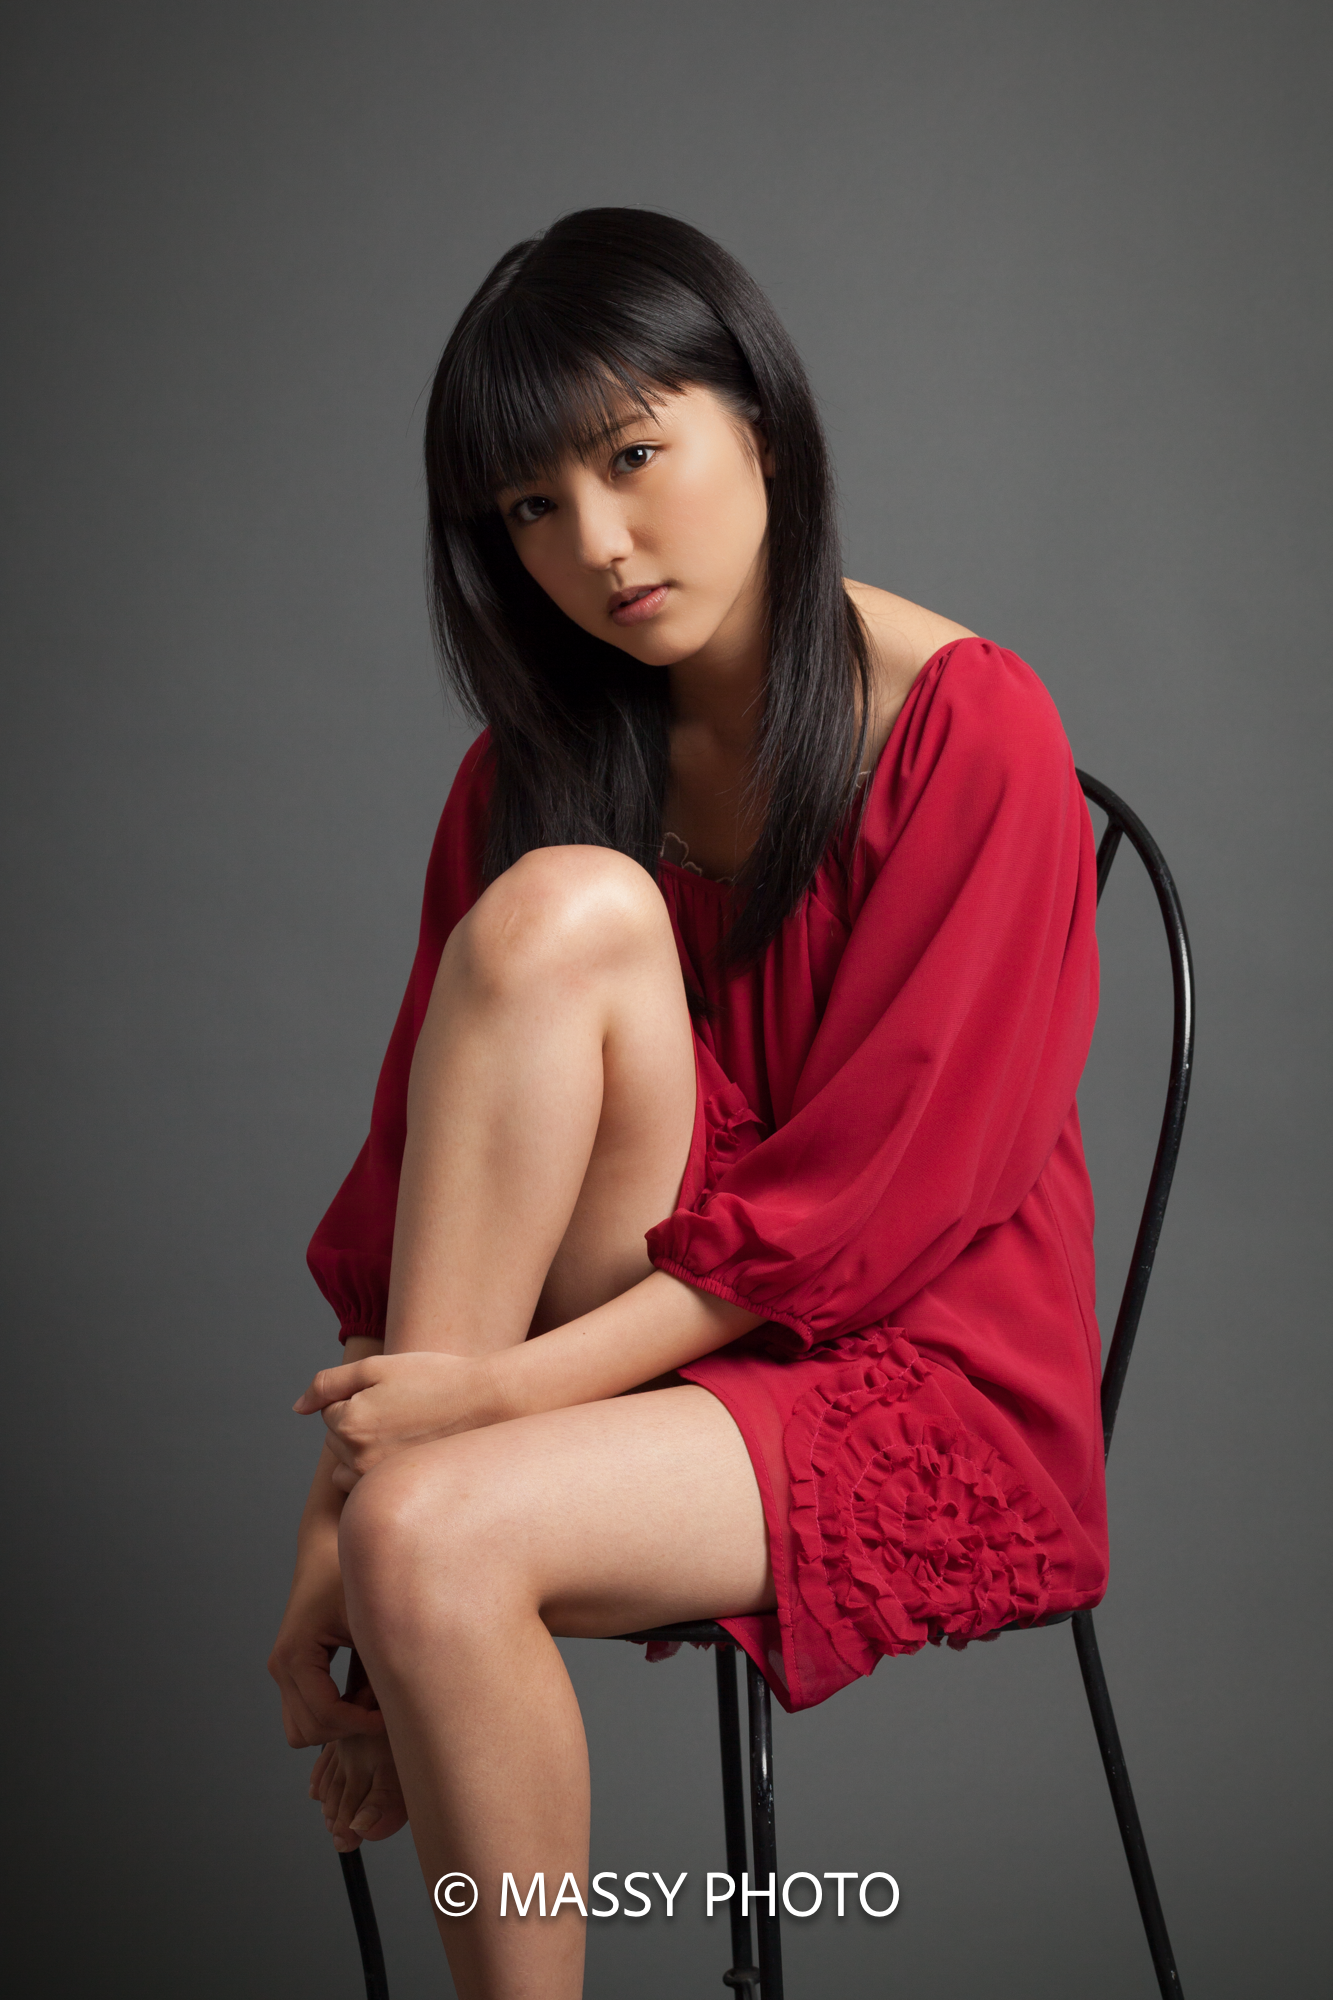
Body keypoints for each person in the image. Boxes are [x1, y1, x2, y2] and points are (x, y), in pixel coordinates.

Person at [267, 207, 1108, 1999]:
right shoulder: (536, 771)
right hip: (632, 1333)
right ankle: (395, 1568)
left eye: (633, 455)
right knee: (562, 910)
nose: (596, 544)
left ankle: (404, 1576)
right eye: (530, 508)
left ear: (766, 427)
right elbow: (421, 1180)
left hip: (913, 1370)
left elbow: (863, 1215)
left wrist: (461, 1429)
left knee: (425, 1534)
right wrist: (317, 1552)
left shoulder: (969, 726)